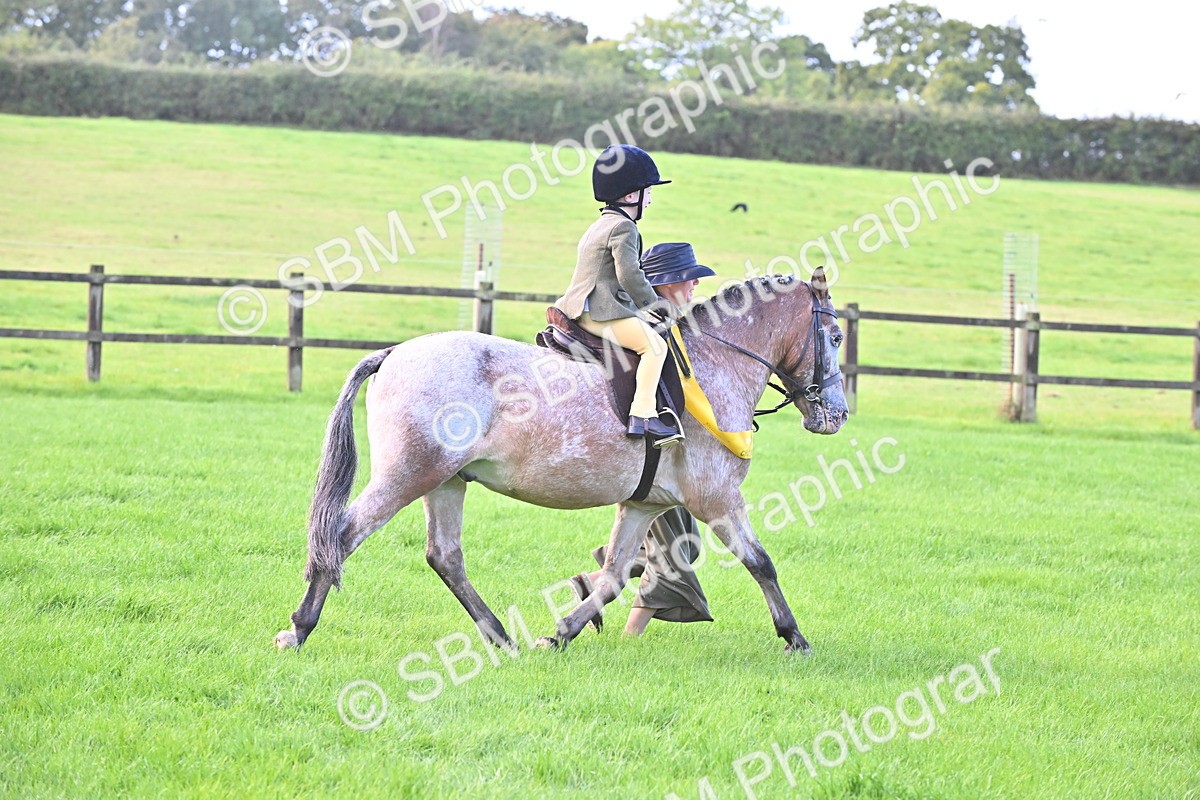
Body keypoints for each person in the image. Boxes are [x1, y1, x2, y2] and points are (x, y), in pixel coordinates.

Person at [568, 242, 718, 636]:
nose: (696, 284)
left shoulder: (664, 324)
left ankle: (591, 585)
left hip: (666, 458)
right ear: (666, 284)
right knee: (678, 550)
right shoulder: (652, 329)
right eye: (689, 278)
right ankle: (628, 636)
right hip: (655, 459)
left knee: (676, 547)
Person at [554, 144, 680, 445]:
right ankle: (644, 415)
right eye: (648, 193)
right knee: (656, 347)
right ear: (630, 195)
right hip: (600, 312)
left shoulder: (601, 223)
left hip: (577, 309)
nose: (650, 200)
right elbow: (630, 274)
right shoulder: (624, 227)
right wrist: (655, 304)